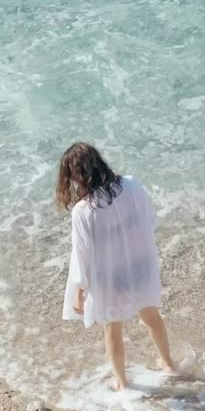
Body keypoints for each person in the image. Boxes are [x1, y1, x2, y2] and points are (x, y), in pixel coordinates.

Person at [56, 142, 177, 390]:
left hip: (110, 277)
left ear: (77, 174)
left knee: (112, 329)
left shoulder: (83, 210)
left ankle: (122, 382)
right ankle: (168, 365)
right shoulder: (132, 184)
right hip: (141, 267)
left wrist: (79, 291)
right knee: (152, 316)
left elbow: (82, 255)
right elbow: (148, 219)